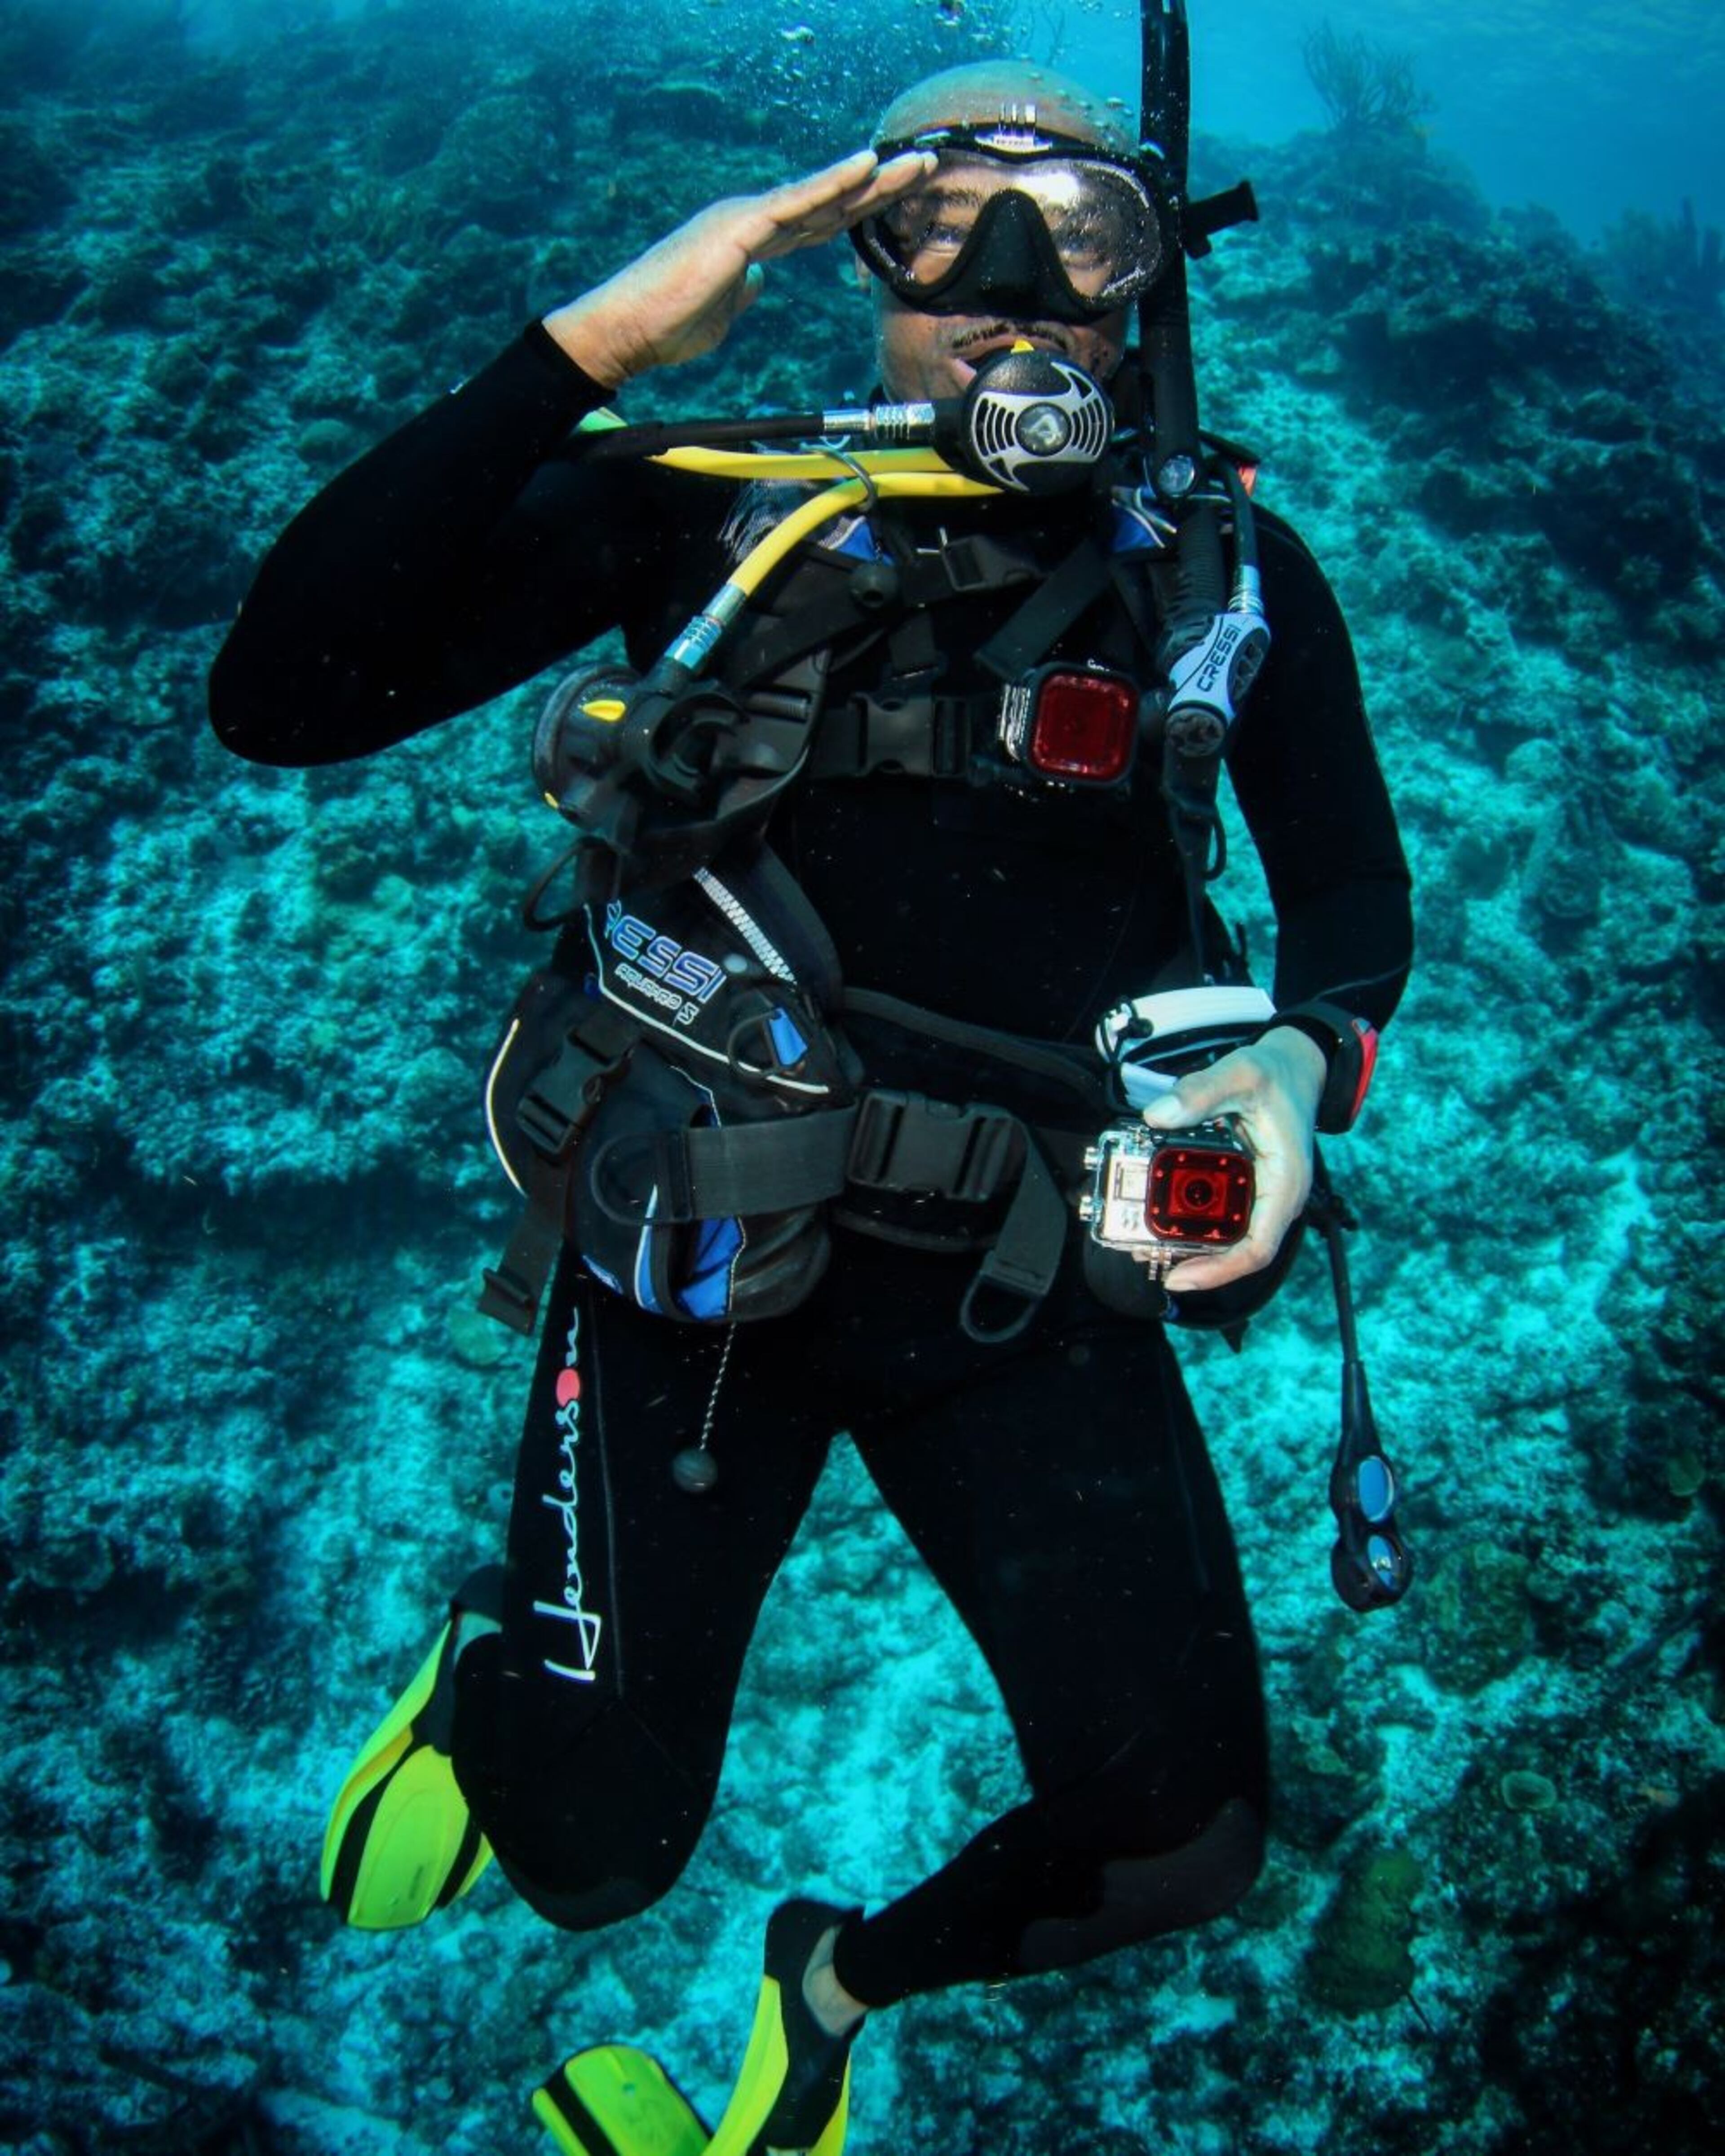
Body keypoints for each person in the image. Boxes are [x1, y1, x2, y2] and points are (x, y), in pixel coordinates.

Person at [210, 48, 1412, 2156]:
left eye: (1083, 235)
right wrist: (596, 343)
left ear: (1149, 283)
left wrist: (1304, 1065)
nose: (1012, 288)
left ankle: (829, 1989)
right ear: (854, 252)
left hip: (1023, 1282)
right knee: (589, 1855)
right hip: (698, 1260)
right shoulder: (699, 504)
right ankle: (492, 1667)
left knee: (1183, 1836)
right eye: (940, 223)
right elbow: (280, 694)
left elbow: (1354, 905)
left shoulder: (1227, 575)